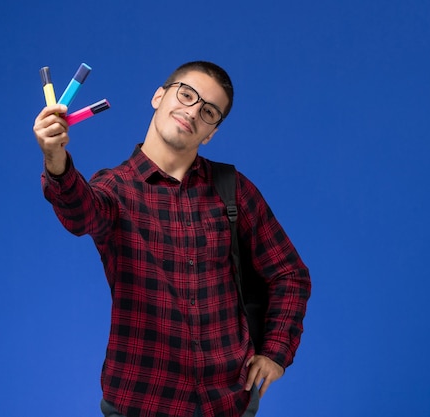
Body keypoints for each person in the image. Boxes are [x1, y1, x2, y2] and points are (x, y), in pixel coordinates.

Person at [33, 61, 311, 417]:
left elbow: (290, 274)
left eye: (208, 111)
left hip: (228, 403)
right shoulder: (114, 190)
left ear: (210, 132)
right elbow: (79, 212)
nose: (193, 111)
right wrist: (55, 158)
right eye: (186, 94)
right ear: (158, 96)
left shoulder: (233, 189)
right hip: (142, 401)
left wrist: (275, 352)